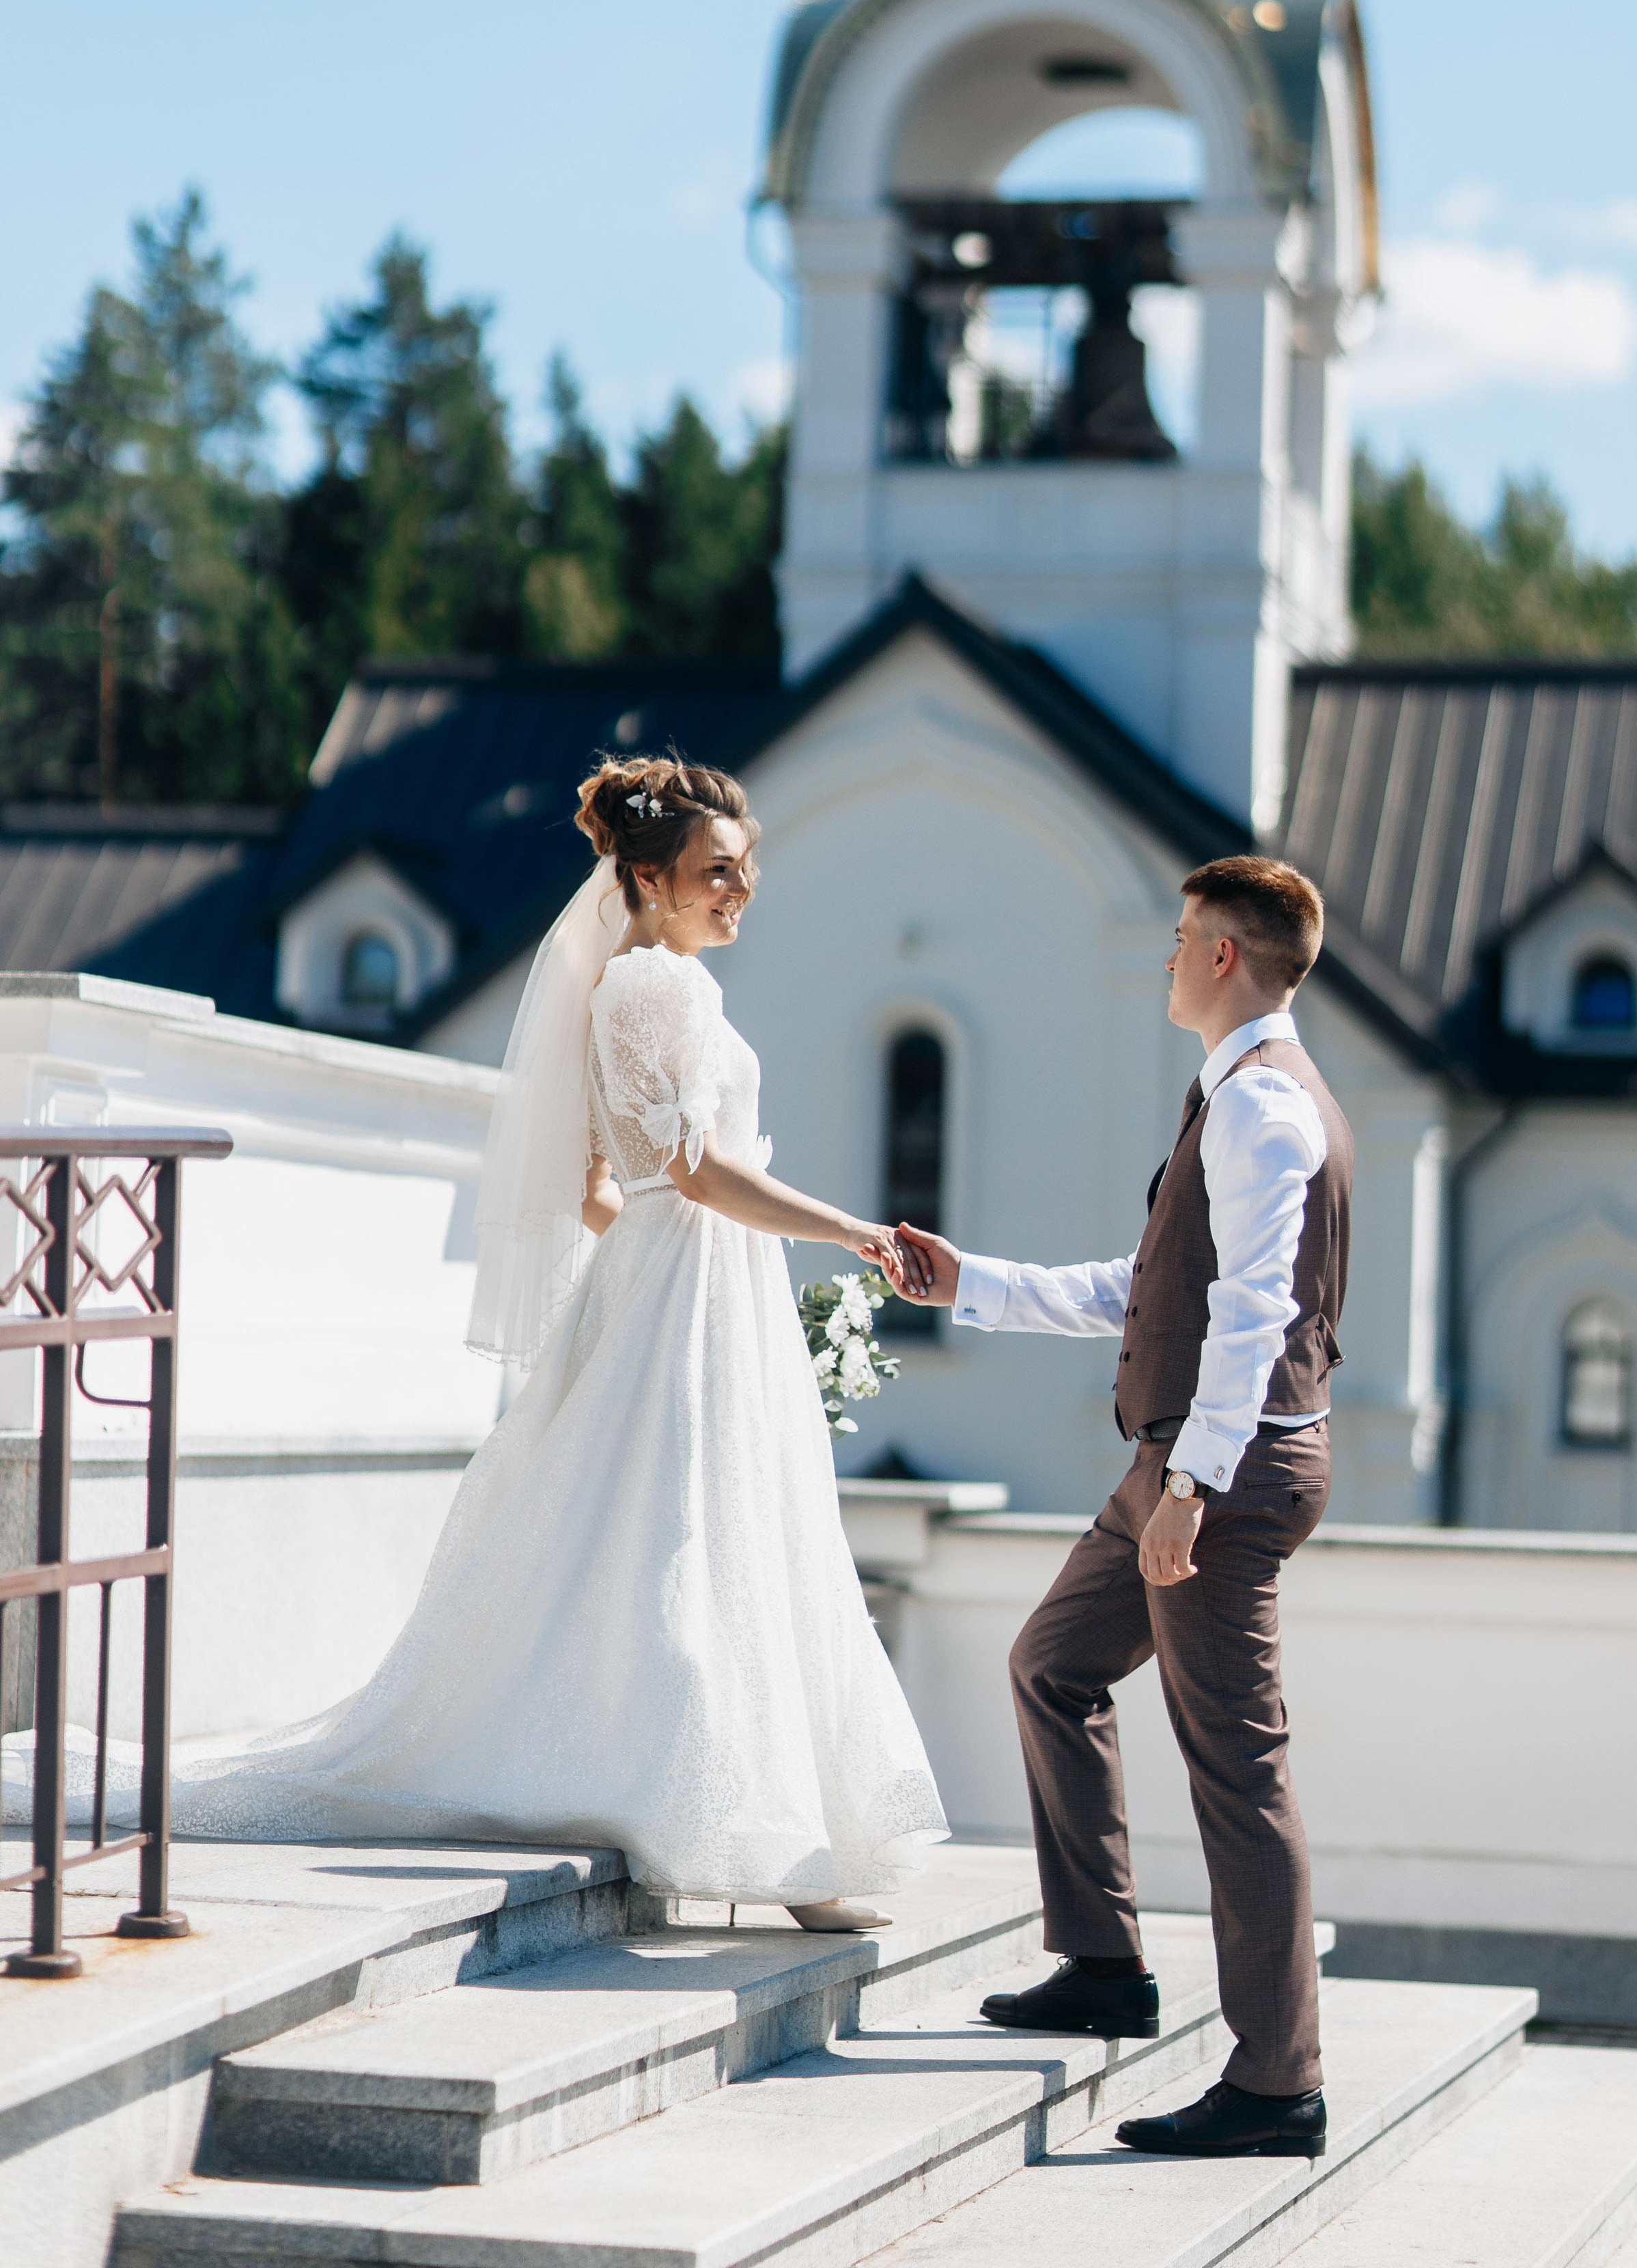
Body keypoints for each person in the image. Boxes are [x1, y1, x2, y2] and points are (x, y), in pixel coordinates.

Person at [158, 755, 949, 1926]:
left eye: (748, 868)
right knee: (695, 1531)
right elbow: (688, 1168)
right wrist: (846, 1232)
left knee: (709, 1530)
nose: (744, 889)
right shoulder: (652, 989)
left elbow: (599, 1183)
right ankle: (741, 1824)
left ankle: (759, 1817)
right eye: (718, 872)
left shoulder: (652, 985)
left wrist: (651, 1274)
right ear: (648, 876)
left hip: (684, 1280)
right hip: (689, 1276)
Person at [893, 855, 1351, 2155]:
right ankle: (1103, 1968)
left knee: (1237, 1769)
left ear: (1223, 957)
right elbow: (1154, 1293)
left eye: (1181, 937)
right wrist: (967, 1282)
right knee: (1055, 1664)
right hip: (1187, 1460)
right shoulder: (1239, 1099)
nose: (1166, 956)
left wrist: (1193, 1489)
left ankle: (1277, 2086)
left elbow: (1255, 1319)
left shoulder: (1263, 1109)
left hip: (1225, 1471)